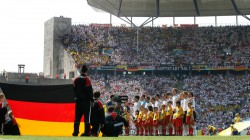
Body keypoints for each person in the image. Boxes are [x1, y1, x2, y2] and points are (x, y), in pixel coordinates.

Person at [72, 65, 94, 136]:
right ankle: (87, 132)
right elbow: (89, 90)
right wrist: (91, 99)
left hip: (78, 101)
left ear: (81, 71)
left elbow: (73, 89)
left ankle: (75, 132)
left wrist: (76, 97)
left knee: (77, 117)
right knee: (87, 117)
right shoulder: (86, 79)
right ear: (86, 71)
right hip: (86, 101)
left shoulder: (76, 79)